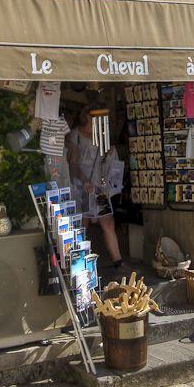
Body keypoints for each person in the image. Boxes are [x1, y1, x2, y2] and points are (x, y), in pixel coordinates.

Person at [65, 107, 127, 275]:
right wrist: (84, 180)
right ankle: (81, 261)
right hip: (81, 186)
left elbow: (103, 160)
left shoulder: (101, 135)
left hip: (98, 186)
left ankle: (118, 261)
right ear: (86, 116)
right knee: (82, 223)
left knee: (108, 221)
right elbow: (73, 163)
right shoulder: (75, 135)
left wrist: (110, 153)